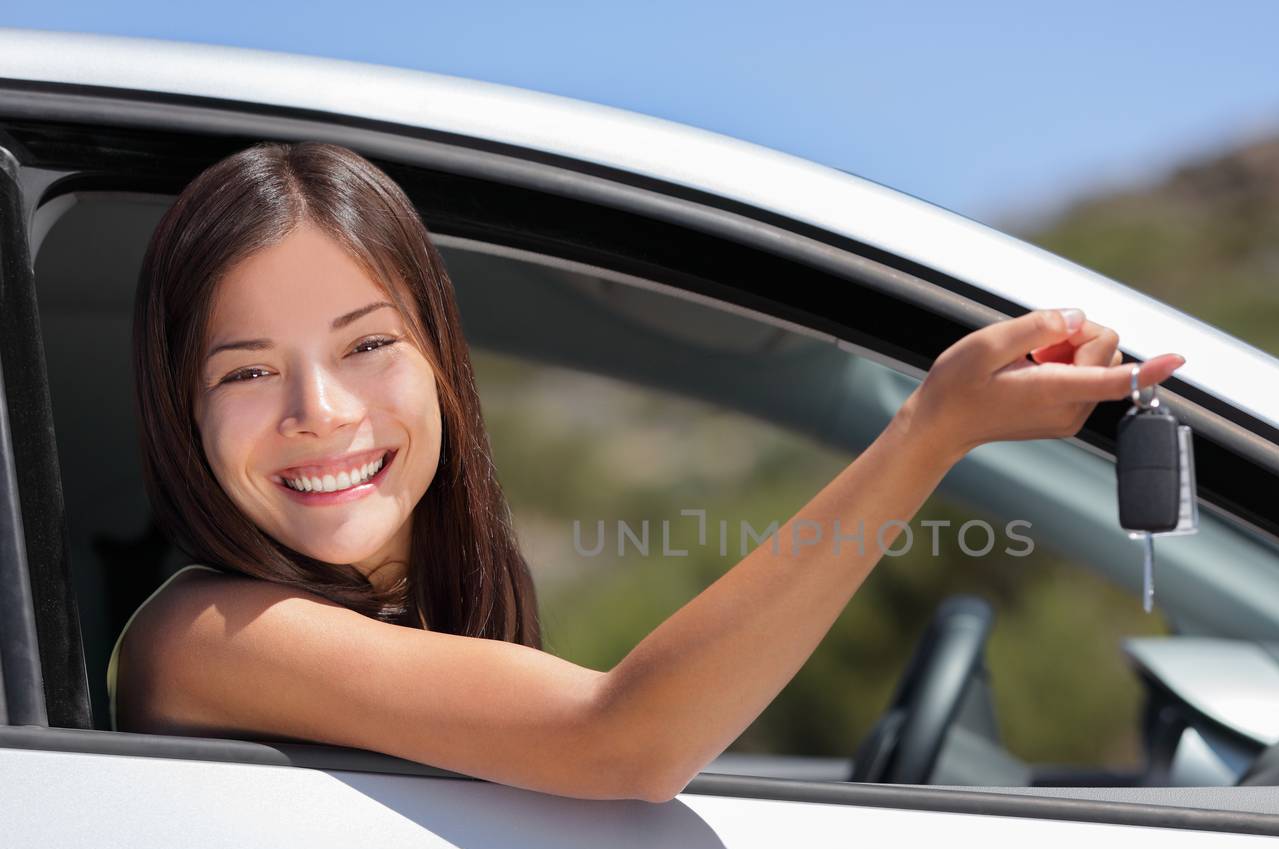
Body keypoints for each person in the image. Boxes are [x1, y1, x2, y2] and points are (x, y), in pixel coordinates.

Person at [111, 141, 1186, 803]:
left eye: (366, 345)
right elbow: (622, 739)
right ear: (181, 408)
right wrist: (926, 432)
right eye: (248, 370)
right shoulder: (205, 639)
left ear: (440, 356)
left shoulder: (402, 618)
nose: (321, 412)